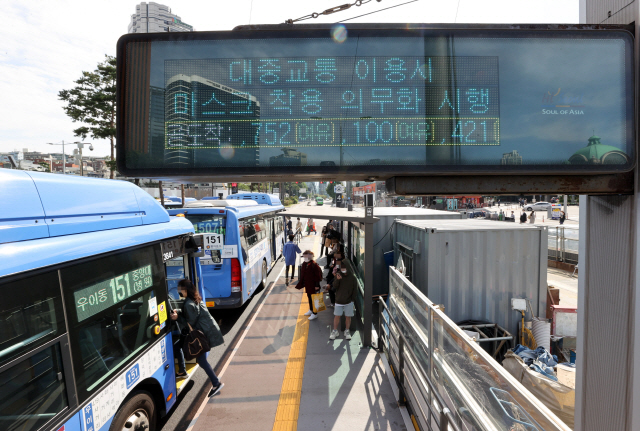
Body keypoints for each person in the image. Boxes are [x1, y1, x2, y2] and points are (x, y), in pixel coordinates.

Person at [170, 279, 224, 397]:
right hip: (205, 332)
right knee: (179, 347)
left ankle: (216, 383)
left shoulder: (189, 304)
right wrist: (179, 312)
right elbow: (191, 314)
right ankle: (183, 370)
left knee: (201, 360)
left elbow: (190, 322)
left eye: (180, 289)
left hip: (200, 335)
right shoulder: (195, 298)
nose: (178, 291)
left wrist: (177, 317)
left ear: (185, 290)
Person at [329, 264, 358, 340]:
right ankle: (335, 331)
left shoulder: (353, 278)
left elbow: (355, 290)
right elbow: (334, 286)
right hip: (339, 301)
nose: (343, 270)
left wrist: (352, 300)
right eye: (342, 268)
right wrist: (338, 280)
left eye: (344, 268)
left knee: (348, 317)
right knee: (337, 316)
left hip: (349, 301)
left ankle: (347, 330)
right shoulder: (338, 275)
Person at [295, 250, 323, 320]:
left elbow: (318, 276)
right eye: (304, 257)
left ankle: (315, 313)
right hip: (308, 285)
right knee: (309, 297)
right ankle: (311, 310)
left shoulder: (314, 265)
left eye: (305, 257)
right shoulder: (305, 264)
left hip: (313, 285)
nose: (304, 258)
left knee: (314, 299)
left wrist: (317, 285)